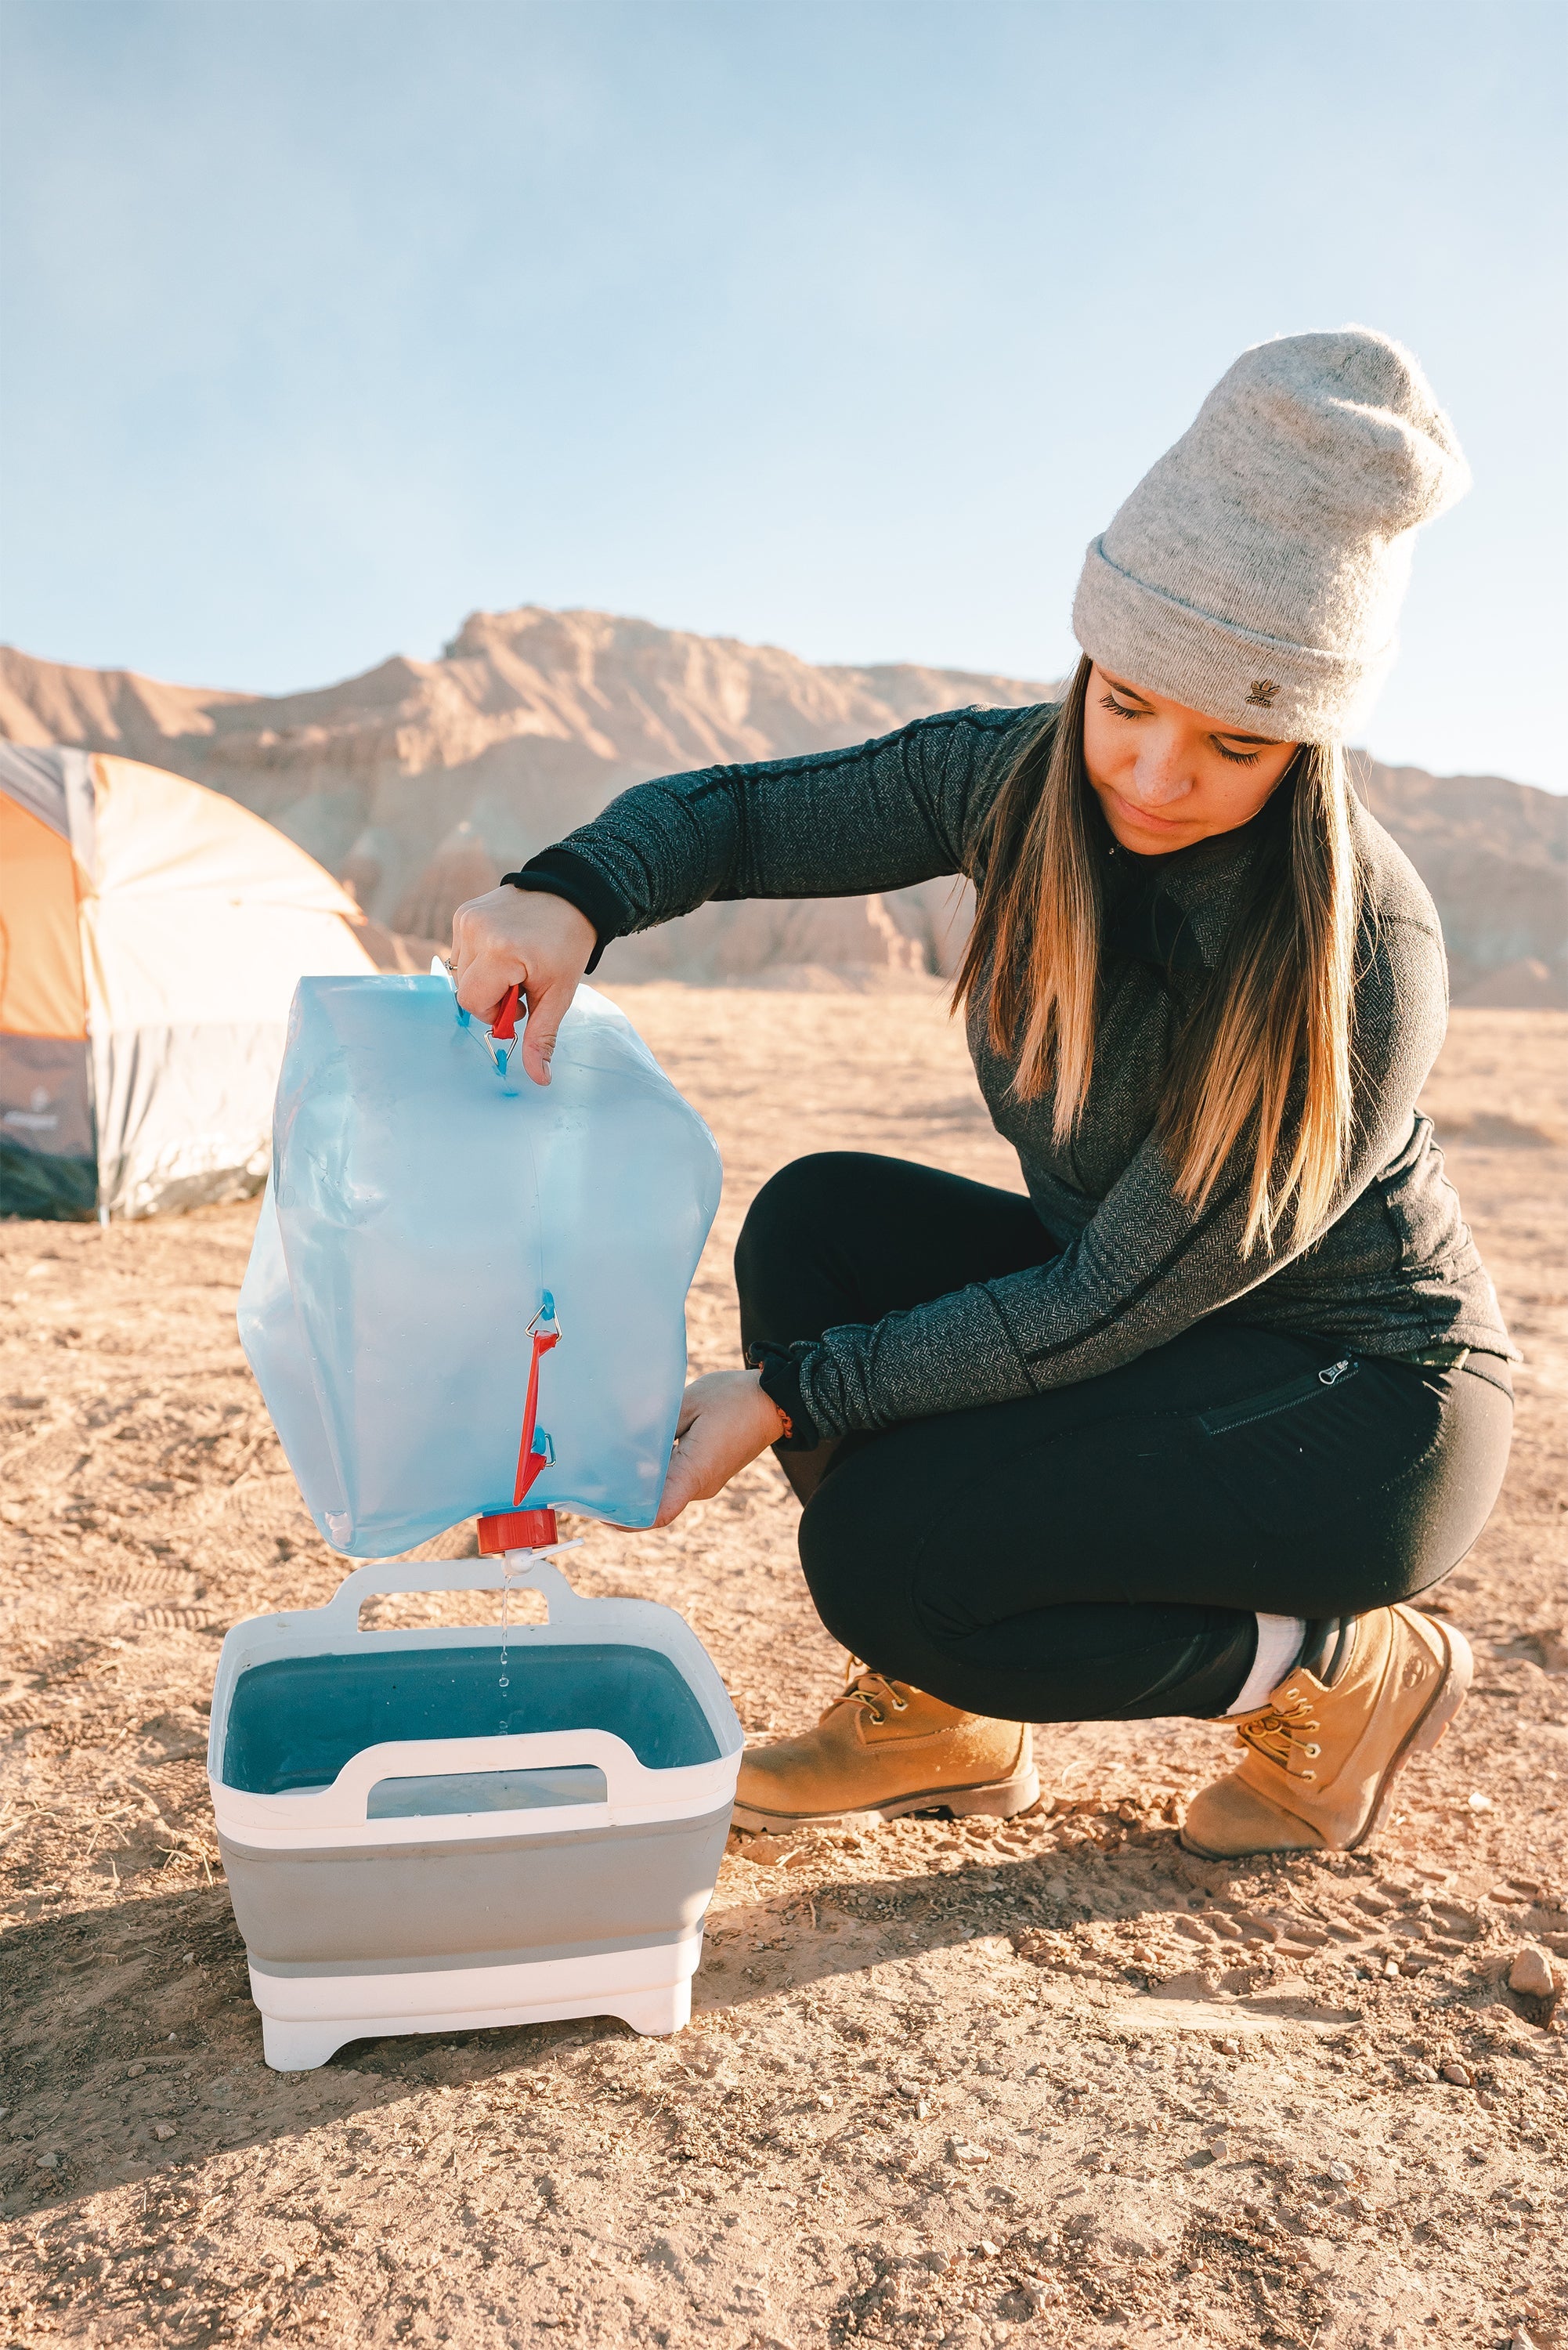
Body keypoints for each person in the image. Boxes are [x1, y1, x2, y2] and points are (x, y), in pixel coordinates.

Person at [451, 327, 1515, 1862]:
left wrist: (787, 1395)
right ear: (1088, 655)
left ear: (1310, 740)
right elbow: (748, 817)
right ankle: (949, 1718)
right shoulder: (1004, 781)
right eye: (1129, 701)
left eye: (1233, 740)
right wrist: (574, 892)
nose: (1152, 774)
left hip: (1354, 1409)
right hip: (1159, 1326)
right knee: (819, 1224)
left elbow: (1104, 1303)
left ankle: (1340, 1671)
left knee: (897, 1565)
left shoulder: (1354, 953)